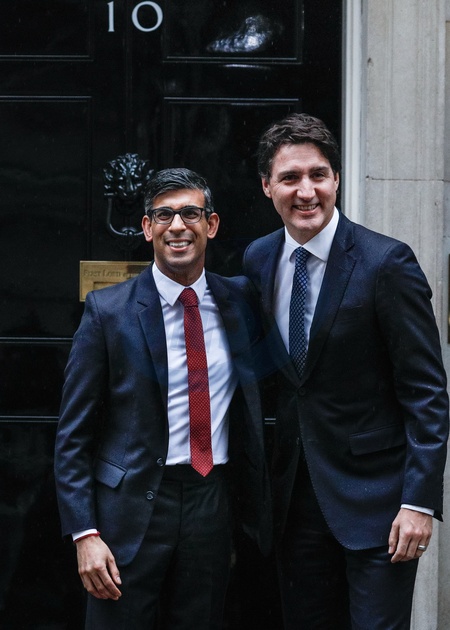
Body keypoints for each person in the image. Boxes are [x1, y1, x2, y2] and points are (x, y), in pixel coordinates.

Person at [242, 113, 449, 629]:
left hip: (380, 506)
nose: (305, 191)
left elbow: (426, 392)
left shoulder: (386, 263)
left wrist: (419, 502)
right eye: (290, 178)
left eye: (318, 175)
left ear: (336, 179)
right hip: (295, 503)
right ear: (267, 186)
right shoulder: (258, 260)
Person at [54, 167, 271, 629]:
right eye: (164, 215)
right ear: (147, 227)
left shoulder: (241, 301)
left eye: (190, 213)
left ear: (211, 225)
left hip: (211, 500)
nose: (178, 226)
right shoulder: (108, 312)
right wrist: (84, 533)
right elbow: (73, 435)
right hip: (127, 510)